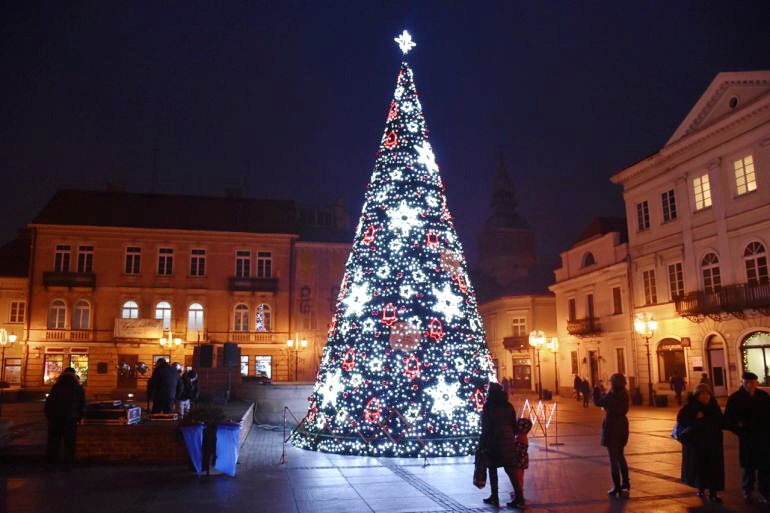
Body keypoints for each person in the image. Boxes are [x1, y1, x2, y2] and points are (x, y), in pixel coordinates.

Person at [724, 371, 770, 504]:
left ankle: (764, 491)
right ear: (742, 382)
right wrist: (740, 430)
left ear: (756, 383)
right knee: (749, 466)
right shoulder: (735, 398)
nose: (750, 385)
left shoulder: (763, 396)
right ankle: (747, 490)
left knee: (764, 466)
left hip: (763, 436)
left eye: (752, 382)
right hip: (748, 437)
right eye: (747, 382)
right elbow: (728, 420)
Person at [677, 384, 725, 502]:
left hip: (713, 444)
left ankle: (713, 492)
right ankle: (701, 487)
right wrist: (695, 418)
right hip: (697, 445)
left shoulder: (714, 407)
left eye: (707, 394)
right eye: (702, 394)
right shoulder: (691, 407)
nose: (705, 396)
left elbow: (721, 421)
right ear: (697, 395)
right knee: (700, 468)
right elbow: (682, 421)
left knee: (714, 468)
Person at [479, 382, 519, 508]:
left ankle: (495, 496)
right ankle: (520, 497)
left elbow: (485, 427)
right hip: (508, 440)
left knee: (492, 469)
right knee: (511, 470)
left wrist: (482, 443)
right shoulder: (508, 406)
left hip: (493, 441)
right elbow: (514, 424)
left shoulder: (489, 407)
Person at [594, 373, 630, 497]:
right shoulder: (625, 393)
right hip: (622, 425)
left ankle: (617, 487)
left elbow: (598, 402)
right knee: (620, 455)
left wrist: (597, 389)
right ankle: (625, 483)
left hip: (612, 426)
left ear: (614, 382)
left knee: (613, 458)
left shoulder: (612, 394)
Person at [45, 367, 85, 464]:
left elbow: (49, 403)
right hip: (71, 418)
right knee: (69, 442)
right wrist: (79, 417)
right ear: (74, 376)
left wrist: (49, 416)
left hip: (56, 418)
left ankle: (52, 462)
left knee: (54, 442)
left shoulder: (56, 387)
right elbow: (81, 404)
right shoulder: (78, 388)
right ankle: (68, 463)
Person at [511, 417, 533, 508]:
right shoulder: (523, 436)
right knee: (520, 476)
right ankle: (519, 493)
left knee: (517, 477)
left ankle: (519, 495)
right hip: (522, 460)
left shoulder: (521, 437)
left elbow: (518, 450)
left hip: (519, 460)